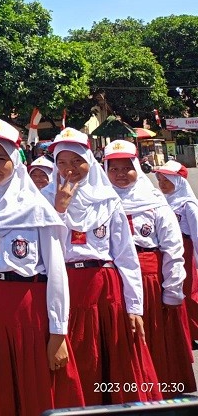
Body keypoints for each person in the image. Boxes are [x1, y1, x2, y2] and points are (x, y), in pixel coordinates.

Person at [0, 120, 83, 416]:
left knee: (35, 388)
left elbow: (56, 273)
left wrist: (58, 332)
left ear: (15, 161)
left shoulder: (38, 209)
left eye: (0, 158)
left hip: (29, 311)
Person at [43, 128, 160, 404]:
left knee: (112, 358)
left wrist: (134, 307)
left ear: (89, 161)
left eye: (77, 161)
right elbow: (48, 249)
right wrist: (59, 209)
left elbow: (126, 256)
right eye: (62, 162)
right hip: (66, 288)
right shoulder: (44, 199)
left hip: (105, 289)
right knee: (76, 360)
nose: (69, 169)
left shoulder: (108, 200)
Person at [104, 141, 195, 396]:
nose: (121, 174)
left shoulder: (155, 202)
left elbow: (172, 247)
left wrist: (172, 288)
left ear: (137, 167)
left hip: (150, 280)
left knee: (153, 337)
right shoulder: (101, 201)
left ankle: (160, 390)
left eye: (127, 168)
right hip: (116, 282)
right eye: (114, 169)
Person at [155, 159, 198, 344]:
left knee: (188, 289)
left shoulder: (188, 205)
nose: (162, 184)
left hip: (184, 251)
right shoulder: (162, 202)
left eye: (167, 180)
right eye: (160, 180)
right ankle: (183, 331)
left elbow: (196, 234)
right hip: (167, 249)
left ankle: (194, 330)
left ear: (178, 181)